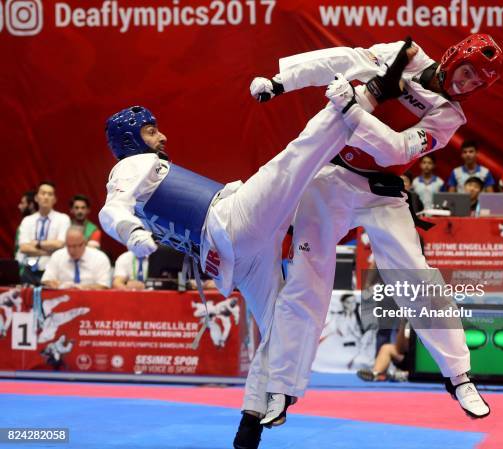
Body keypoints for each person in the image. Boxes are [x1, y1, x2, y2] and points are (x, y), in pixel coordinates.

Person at [98, 85, 409, 443]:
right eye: (151, 131)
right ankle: (367, 94)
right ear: (129, 140)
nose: (162, 135)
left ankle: (250, 421)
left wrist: (134, 229)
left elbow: (120, 208)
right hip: (232, 220)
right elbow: (111, 210)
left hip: (230, 258)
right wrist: (131, 233)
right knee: (298, 157)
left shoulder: (143, 176)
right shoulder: (131, 165)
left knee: (282, 328)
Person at [243, 34, 502, 446]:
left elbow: (396, 149)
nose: (467, 85)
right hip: (330, 180)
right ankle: (281, 390)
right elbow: (339, 59)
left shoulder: (450, 116)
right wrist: (281, 81)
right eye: (468, 73)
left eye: (477, 85)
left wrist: (352, 110)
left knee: (416, 276)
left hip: (383, 191)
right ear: (453, 58)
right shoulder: (406, 56)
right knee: (306, 283)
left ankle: (458, 377)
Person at [17, 181, 71, 284]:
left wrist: (37, 244)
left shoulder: (63, 219)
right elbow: (23, 247)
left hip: (52, 269)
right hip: (28, 270)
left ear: (54, 199)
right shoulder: (27, 220)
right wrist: (49, 251)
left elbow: (60, 244)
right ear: (36, 198)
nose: (46, 197)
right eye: (43, 193)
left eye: (50, 194)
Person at [41, 226, 111, 289]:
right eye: (68, 246)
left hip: (91, 299)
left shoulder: (100, 258)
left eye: (75, 246)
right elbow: (46, 280)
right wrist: (51, 283)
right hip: (63, 299)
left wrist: (80, 288)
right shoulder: (58, 255)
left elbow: (103, 286)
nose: (71, 251)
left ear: (84, 243)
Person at [15, 190, 38, 258]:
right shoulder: (24, 223)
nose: (19, 206)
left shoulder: (40, 225)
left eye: (22, 203)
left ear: (31, 205)